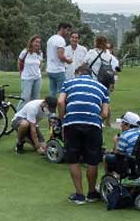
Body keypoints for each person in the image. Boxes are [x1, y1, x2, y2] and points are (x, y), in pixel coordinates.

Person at [58, 63, 110, 204]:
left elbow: (60, 101)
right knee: (92, 161)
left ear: (78, 72)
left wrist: (63, 119)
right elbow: (105, 113)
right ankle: (92, 193)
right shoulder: (102, 87)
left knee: (73, 159)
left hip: (72, 123)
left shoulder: (68, 83)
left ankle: (79, 195)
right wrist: (96, 119)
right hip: (93, 125)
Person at [45, 22, 73, 97]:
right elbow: (60, 56)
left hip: (50, 69)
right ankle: (63, 108)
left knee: (52, 93)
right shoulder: (61, 40)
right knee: (63, 93)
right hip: (58, 70)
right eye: (68, 30)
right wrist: (68, 60)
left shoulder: (51, 39)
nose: (69, 33)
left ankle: (51, 108)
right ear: (61, 29)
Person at [17, 35, 43, 108]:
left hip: (37, 79)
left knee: (35, 100)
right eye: (36, 42)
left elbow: (40, 64)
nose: (37, 44)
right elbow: (19, 61)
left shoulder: (40, 53)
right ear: (32, 42)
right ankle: (18, 116)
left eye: (39, 42)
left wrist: (37, 71)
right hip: (27, 79)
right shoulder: (25, 52)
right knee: (25, 98)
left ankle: (32, 116)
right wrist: (20, 72)